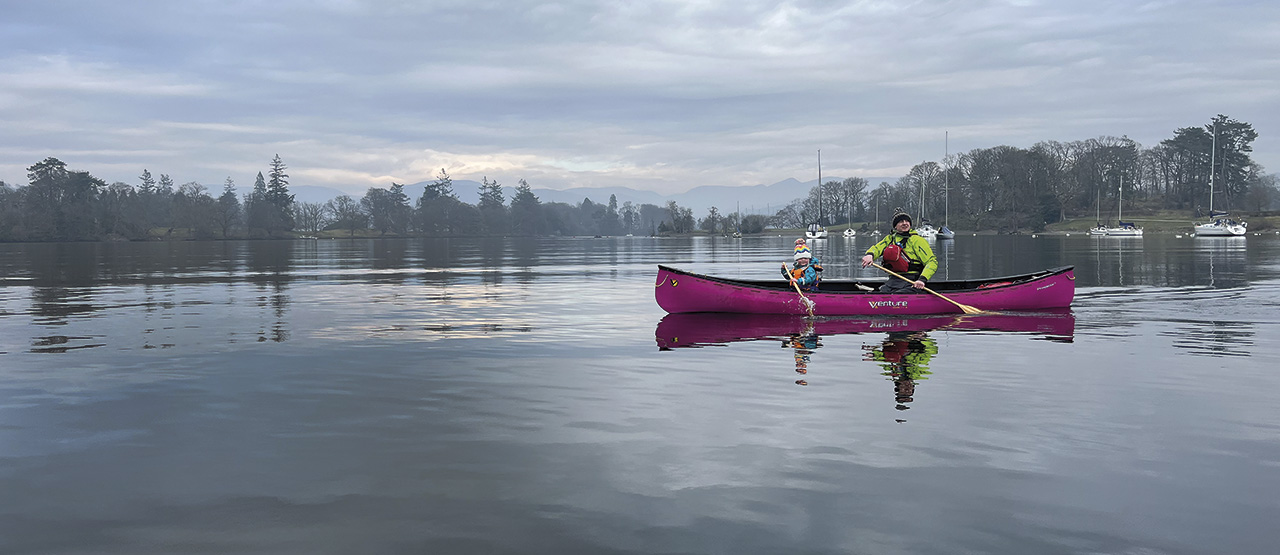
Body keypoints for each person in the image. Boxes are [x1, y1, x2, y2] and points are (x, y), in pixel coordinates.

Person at [860, 210, 937, 293]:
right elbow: (877, 248)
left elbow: (931, 262)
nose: (905, 223)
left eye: (907, 221)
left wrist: (922, 279)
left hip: (912, 281)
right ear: (895, 226)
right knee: (881, 292)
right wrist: (870, 255)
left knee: (897, 294)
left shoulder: (917, 240)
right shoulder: (890, 239)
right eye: (901, 221)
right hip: (893, 281)